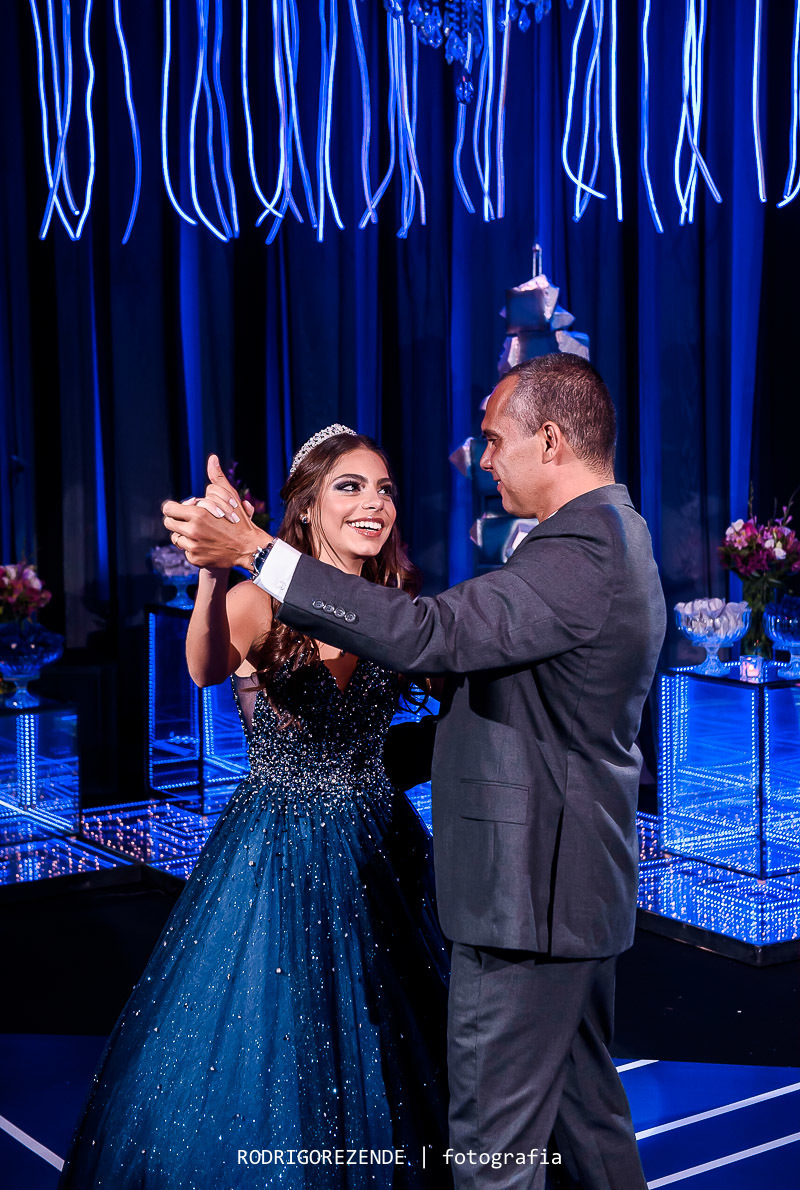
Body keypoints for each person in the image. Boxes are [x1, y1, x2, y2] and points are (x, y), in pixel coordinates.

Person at [165, 353, 667, 1189]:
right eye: (350, 487)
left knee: (493, 1154)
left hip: (530, 900)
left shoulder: (581, 550)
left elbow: (430, 636)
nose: (483, 459)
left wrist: (255, 547)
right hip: (550, 890)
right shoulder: (607, 536)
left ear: (549, 440)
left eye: (493, 440)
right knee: (586, 1126)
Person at [59, 428, 450, 1190]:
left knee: (391, 1032)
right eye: (350, 486)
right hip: (277, 848)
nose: (374, 503)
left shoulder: (395, 604)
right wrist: (213, 574)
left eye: (385, 490)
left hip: (381, 845)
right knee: (278, 1031)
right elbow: (204, 668)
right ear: (306, 508)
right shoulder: (258, 601)